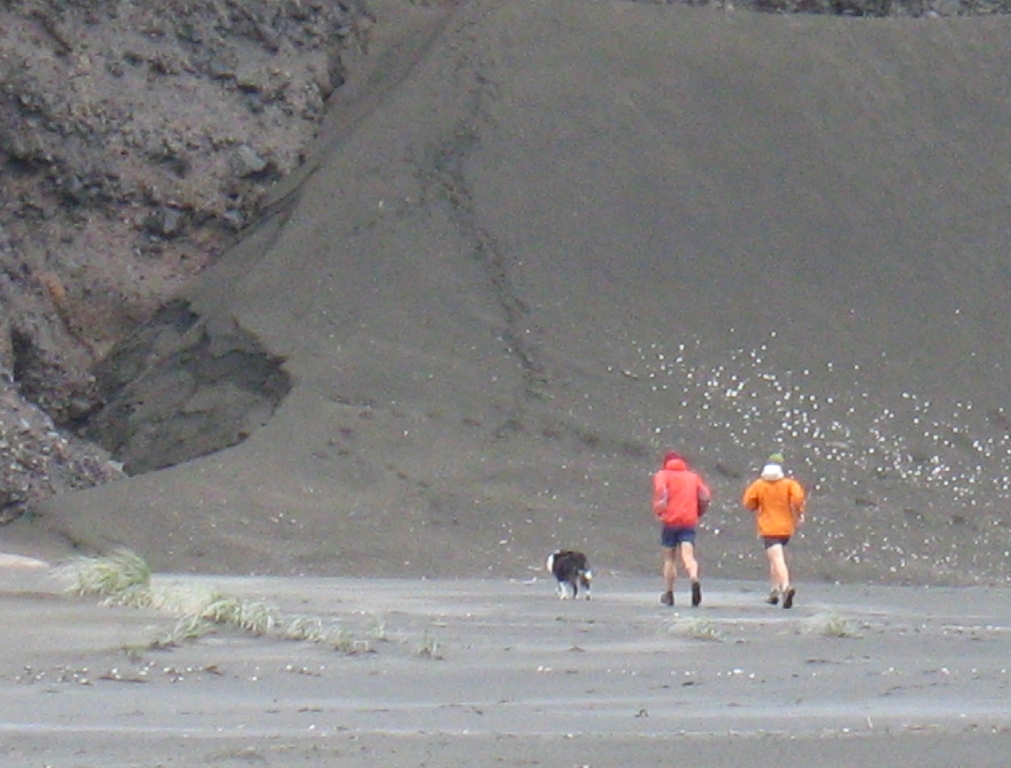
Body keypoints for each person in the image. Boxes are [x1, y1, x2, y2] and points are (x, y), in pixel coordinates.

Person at [742, 452, 806, 609]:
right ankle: (774, 591)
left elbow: (748, 503)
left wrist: (758, 504)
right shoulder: (789, 484)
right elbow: (798, 498)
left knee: (777, 559)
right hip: (786, 527)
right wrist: (800, 513)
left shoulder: (759, 485)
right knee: (775, 559)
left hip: (769, 528)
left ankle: (785, 587)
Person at [652, 450, 711, 608]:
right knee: (688, 556)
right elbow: (705, 496)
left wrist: (660, 511)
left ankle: (669, 593)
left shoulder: (662, 475)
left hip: (670, 522)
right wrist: (699, 511)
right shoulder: (693, 477)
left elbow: (661, 492)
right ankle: (694, 578)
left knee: (669, 559)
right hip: (688, 521)